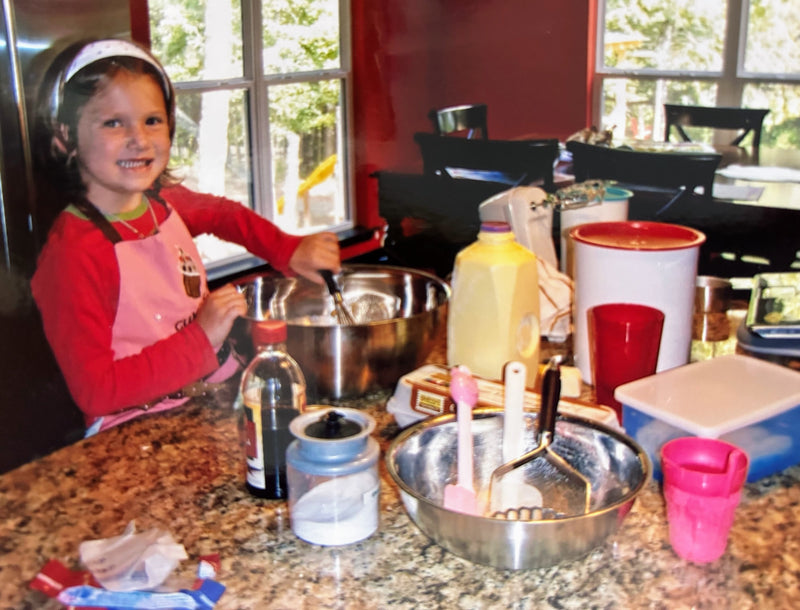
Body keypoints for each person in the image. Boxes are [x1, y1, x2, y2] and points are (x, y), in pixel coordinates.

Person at [31, 39, 341, 435]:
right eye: (113, 122)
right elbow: (96, 391)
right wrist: (201, 338)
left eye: (152, 120)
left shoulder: (163, 202)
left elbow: (225, 215)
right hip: (136, 429)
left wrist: (288, 248)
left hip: (210, 395)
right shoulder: (75, 253)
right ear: (64, 138)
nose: (138, 139)